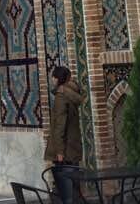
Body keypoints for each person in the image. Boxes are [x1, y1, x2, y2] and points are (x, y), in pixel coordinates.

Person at [43, 64, 84, 203]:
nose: (52, 80)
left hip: (64, 152)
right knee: (73, 189)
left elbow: (60, 127)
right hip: (72, 148)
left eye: (53, 77)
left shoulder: (61, 97)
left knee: (63, 191)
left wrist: (59, 152)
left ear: (57, 78)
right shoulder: (72, 94)